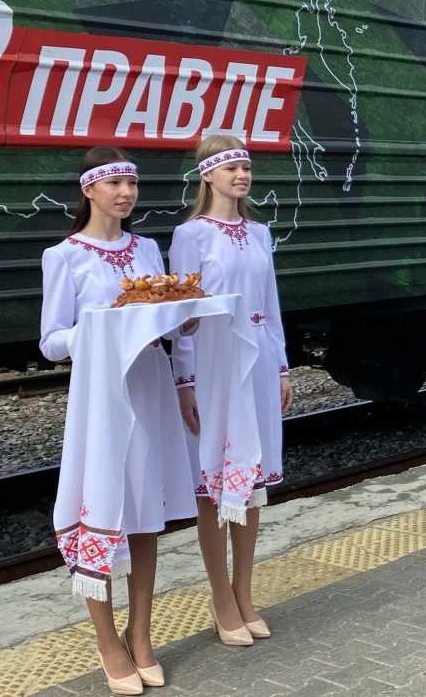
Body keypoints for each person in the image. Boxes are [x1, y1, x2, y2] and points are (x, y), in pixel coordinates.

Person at [42, 147, 198, 694]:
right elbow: (51, 342)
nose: (126, 193)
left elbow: (165, 319)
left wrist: (185, 323)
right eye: (114, 184)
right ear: (89, 190)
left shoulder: (149, 248)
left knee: (145, 512)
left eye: (131, 183)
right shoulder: (64, 256)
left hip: (149, 386)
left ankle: (142, 635)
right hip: (101, 398)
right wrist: (101, 324)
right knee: (100, 506)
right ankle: (108, 641)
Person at [169, 136, 292, 646]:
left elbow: (271, 302)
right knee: (212, 485)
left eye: (246, 166)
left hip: (258, 362)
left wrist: (283, 367)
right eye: (233, 167)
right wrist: (186, 380)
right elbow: (180, 316)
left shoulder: (260, 233)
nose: (242, 175)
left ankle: (245, 593)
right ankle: (221, 599)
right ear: (208, 175)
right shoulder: (190, 235)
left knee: (253, 480)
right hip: (216, 367)